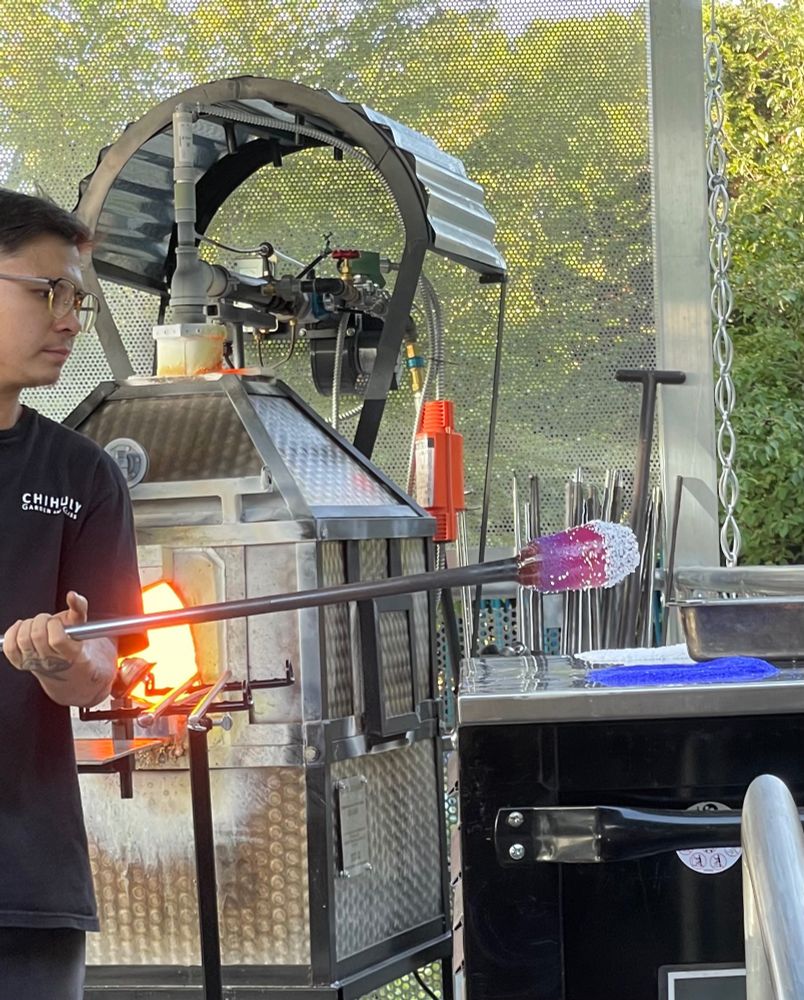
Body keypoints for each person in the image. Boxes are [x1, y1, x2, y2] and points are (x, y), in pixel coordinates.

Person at [0, 188, 146, 998]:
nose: (67, 320)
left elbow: (98, 669)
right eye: (46, 292)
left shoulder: (82, 475)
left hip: (23, 886)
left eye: (78, 302)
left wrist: (61, 662)